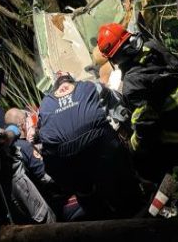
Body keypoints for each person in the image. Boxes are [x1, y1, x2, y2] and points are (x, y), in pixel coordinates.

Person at [97, 23, 178, 182]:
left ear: (113, 58)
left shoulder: (132, 84)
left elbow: (147, 129)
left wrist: (133, 145)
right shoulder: (152, 46)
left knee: (145, 160)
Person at [37, 71, 145, 220]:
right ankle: (136, 207)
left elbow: (43, 136)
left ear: (55, 88)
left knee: (85, 192)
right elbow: (120, 109)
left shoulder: (45, 104)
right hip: (101, 144)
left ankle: (97, 216)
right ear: (72, 81)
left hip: (67, 158)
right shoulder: (89, 85)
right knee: (122, 179)